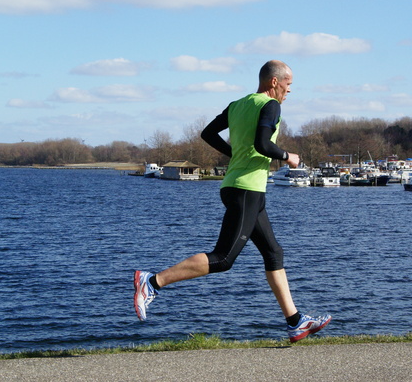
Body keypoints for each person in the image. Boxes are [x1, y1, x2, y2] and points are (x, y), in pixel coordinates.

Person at [134, 60, 331, 342]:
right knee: (224, 258)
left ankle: (296, 322)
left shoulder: (238, 104)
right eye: (288, 84)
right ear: (274, 82)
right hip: (246, 189)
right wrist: (288, 156)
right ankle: (152, 282)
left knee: (274, 253)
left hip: (238, 187)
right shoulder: (271, 105)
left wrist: (234, 153)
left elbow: (207, 133)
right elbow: (264, 144)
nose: (290, 91)